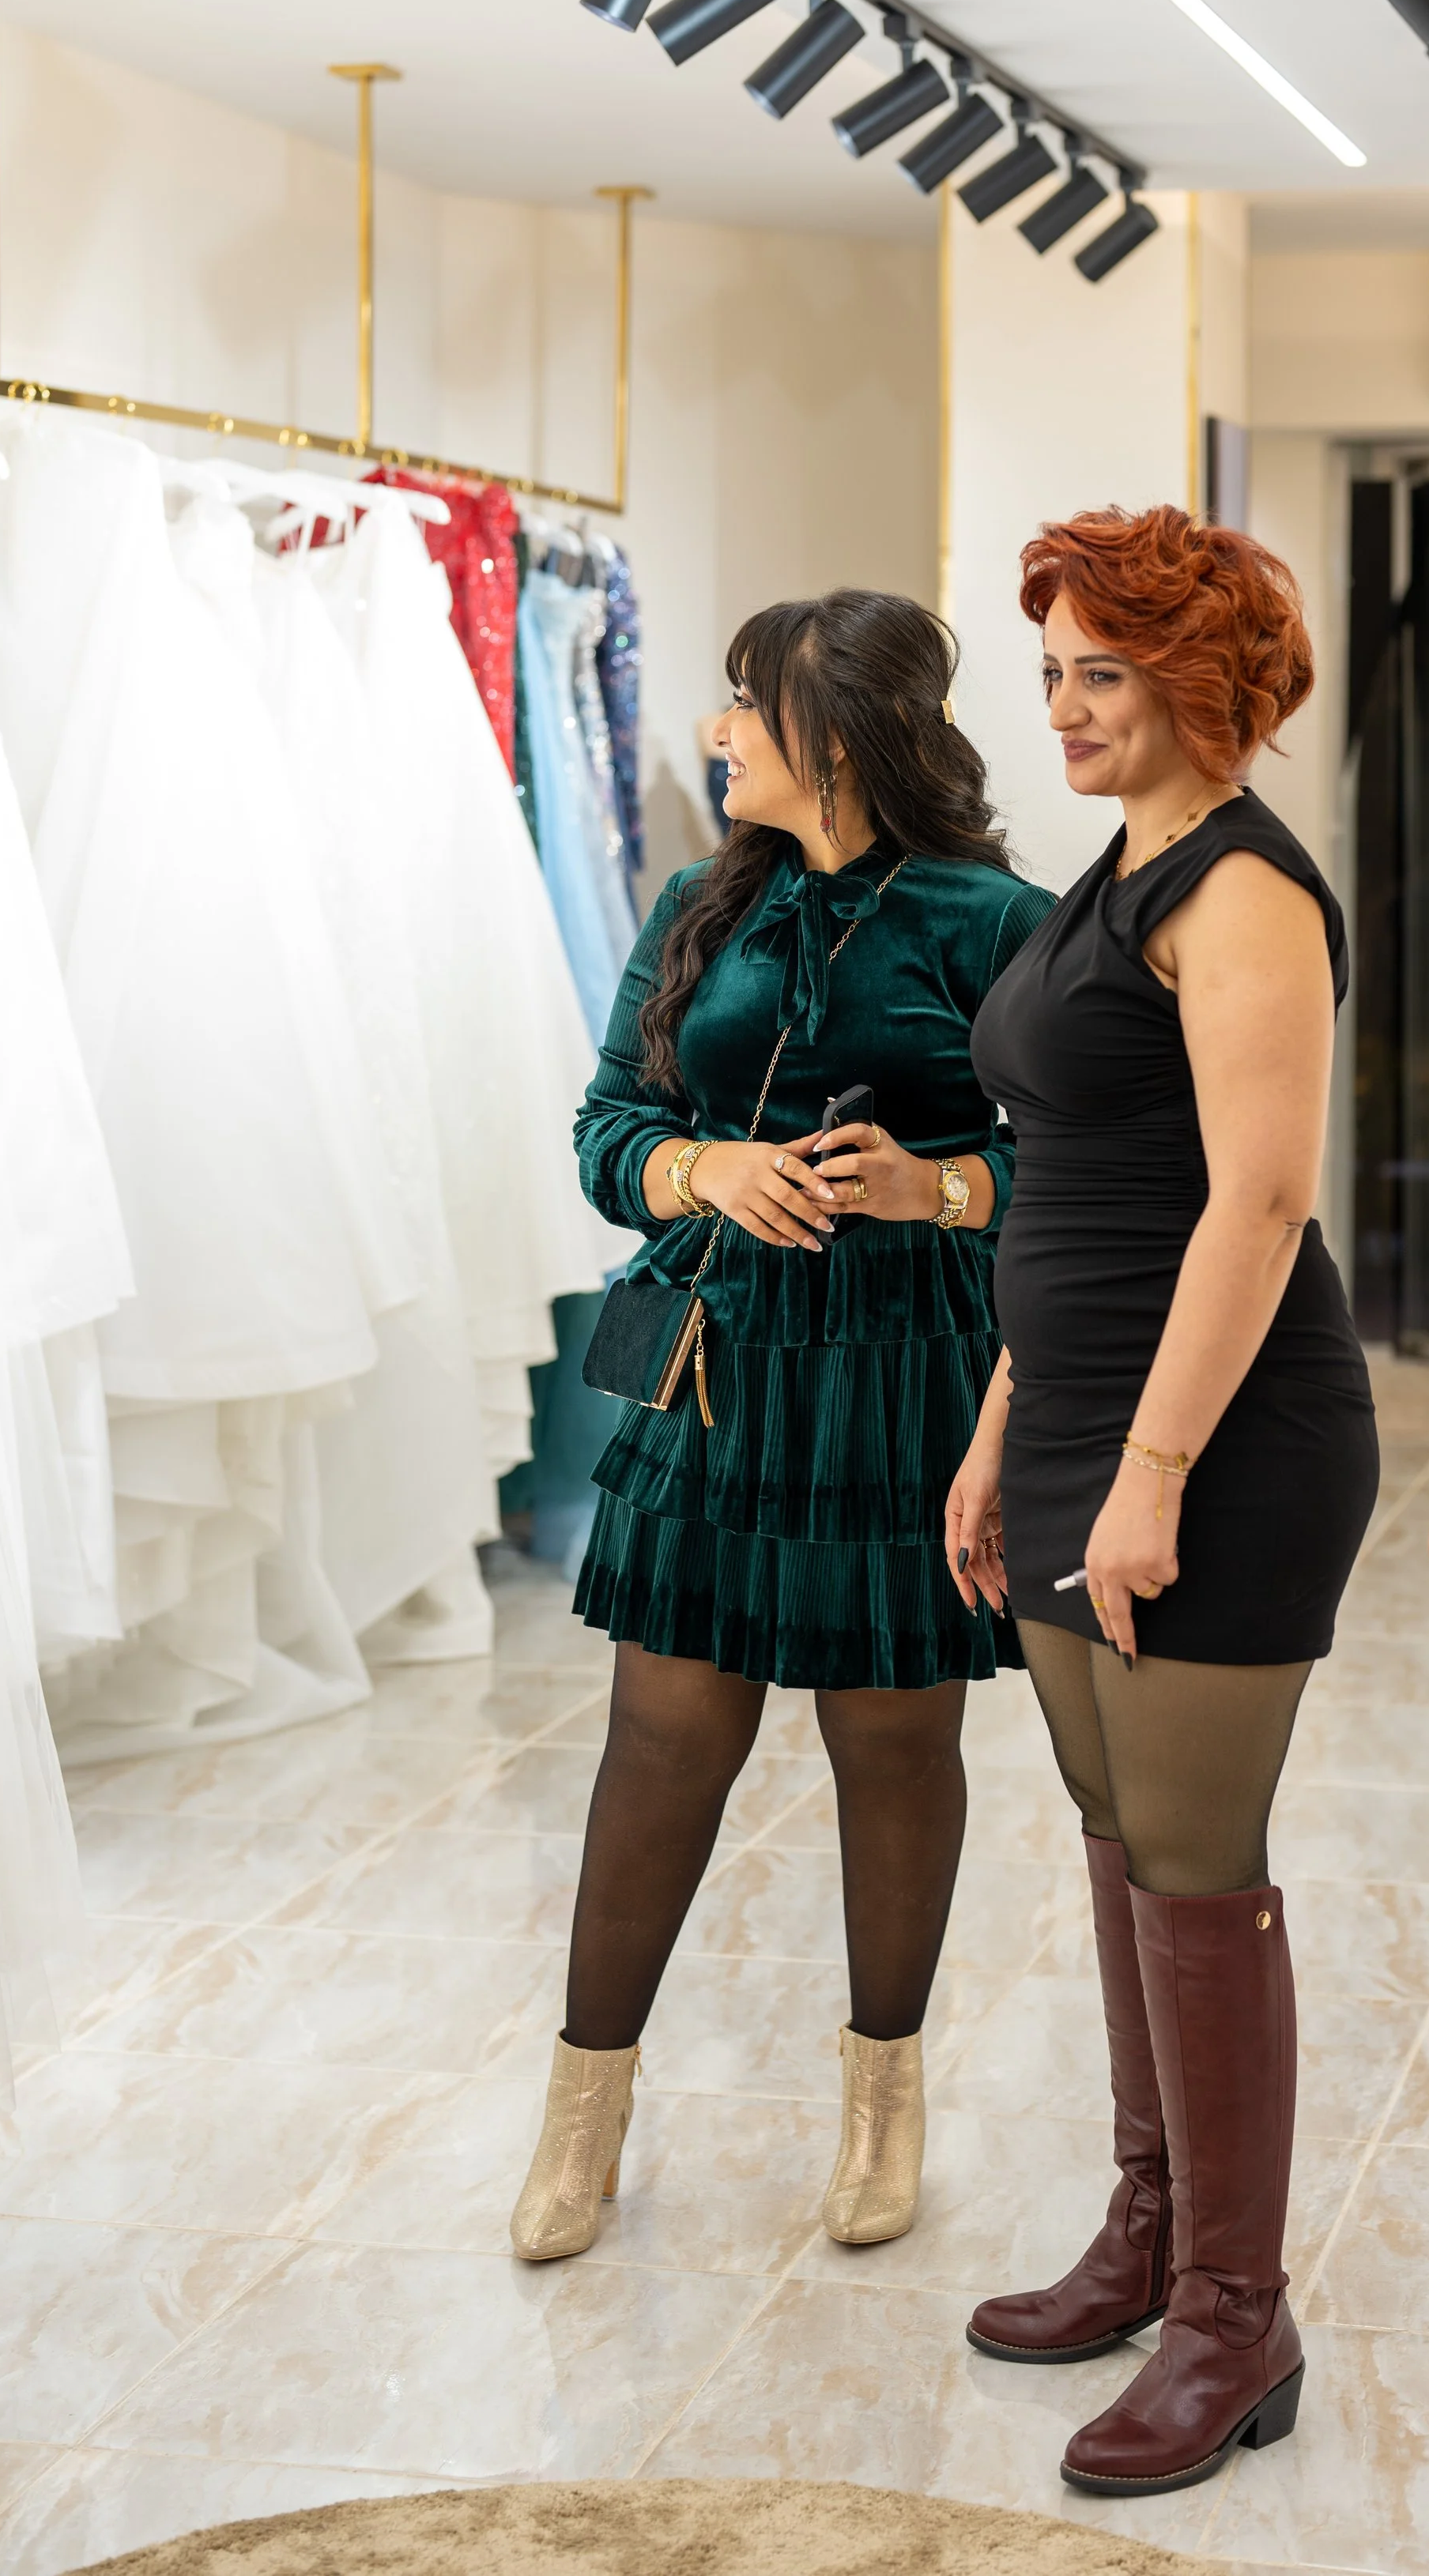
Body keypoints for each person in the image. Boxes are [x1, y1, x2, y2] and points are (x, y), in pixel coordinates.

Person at [510, 587, 1052, 2265]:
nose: (717, 732)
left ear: (836, 732)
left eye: (746, 705)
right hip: (717, 1363)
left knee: (890, 1744)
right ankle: (581, 2114)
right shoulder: (698, 903)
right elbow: (607, 1126)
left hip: (905, 1370)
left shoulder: (996, 920)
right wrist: (703, 1170)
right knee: (661, 1738)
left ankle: (883, 2104)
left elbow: (1082, 1161)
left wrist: (935, 1186)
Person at [949, 504, 1379, 2499]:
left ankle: (1232, 2310)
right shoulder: (1107, 872)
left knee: (1198, 1867)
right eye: (1048, 669)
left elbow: (1260, 1201)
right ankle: (1148, 2231)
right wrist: (1002, 1430)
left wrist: (1148, 1472)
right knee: (1121, 1840)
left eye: (1098, 672)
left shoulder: (1246, 886)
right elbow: (1070, 1180)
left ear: (1198, 678)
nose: (1059, 706)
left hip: (1218, 1437)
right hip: (1072, 1431)